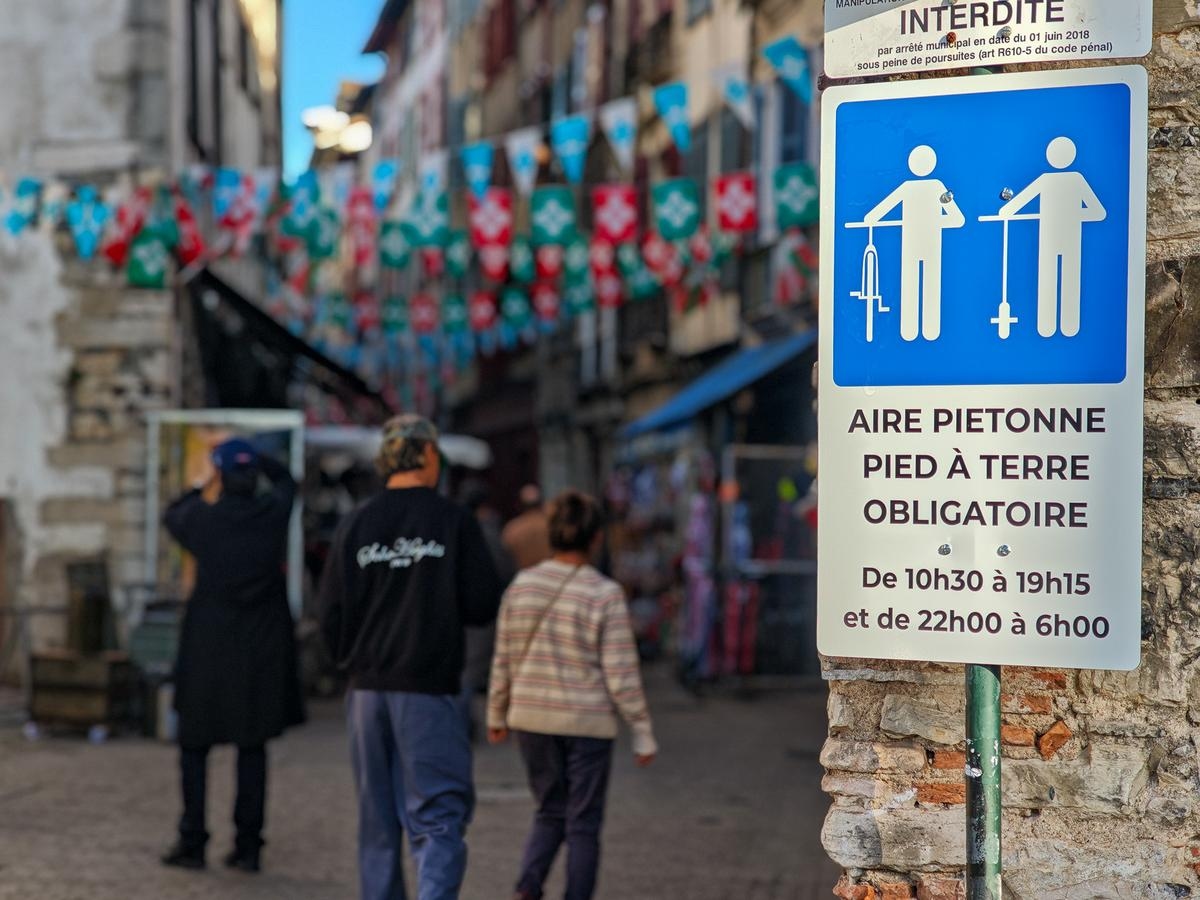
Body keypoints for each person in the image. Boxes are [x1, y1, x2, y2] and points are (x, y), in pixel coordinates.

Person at [318, 415, 503, 900]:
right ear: (427, 456)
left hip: (366, 692)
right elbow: (484, 603)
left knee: (376, 822)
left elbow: (331, 611)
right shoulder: (453, 520)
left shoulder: (356, 522)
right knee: (438, 815)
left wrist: (350, 661)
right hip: (427, 684)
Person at [488, 490, 658, 900]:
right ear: (596, 538)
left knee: (549, 810)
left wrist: (497, 714)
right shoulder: (605, 593)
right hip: (587, 724)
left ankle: (527, 888)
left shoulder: (521, 587)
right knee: (582, 823)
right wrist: (641, 731)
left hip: (531, 719)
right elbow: (621, 672)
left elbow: (504, 659)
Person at [160, 436, 305, 874]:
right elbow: (288, 481)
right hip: (257, 655)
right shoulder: (272, 514)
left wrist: (206, 480)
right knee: (252, 752)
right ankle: (247, 846)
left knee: (194, 750)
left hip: (207, 653)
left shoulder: (202, 520)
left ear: (221, 474)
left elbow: (173, 512)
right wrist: (256, 457)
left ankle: (193, 840)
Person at [457, 480, 516, 740]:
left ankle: (466, 723)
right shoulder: (488, 533)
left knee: (465, 670)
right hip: (483, 612)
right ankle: (467, 724)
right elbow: (504, 571)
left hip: (459, 610)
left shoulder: (454, 528)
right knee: (474, 671)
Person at [502, 483, 552, 572]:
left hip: (525, 579)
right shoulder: (553, 525)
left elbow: (506, 558)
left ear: (520, 505)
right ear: (541, 502)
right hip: (552, 576)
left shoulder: (513, 529)